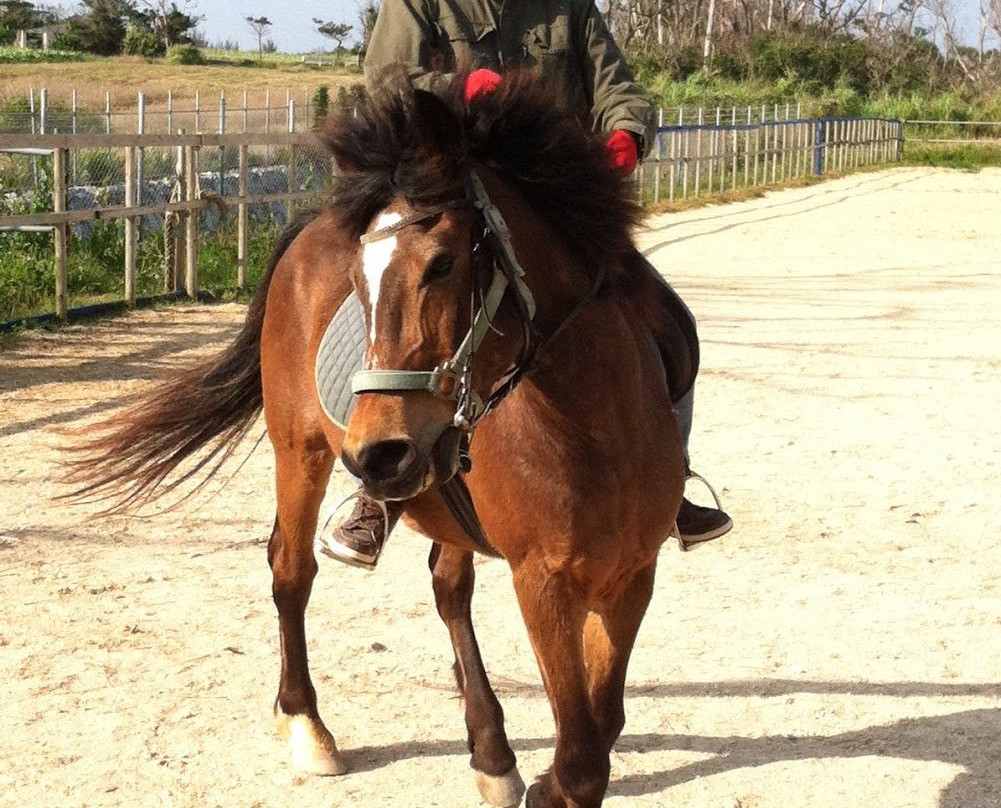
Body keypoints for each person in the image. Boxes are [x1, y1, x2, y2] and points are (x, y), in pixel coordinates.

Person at [318, 0, 732, 569]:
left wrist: (626, 135)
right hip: (449, 197)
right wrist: (461, 86)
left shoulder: (568, 6)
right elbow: (388, 82)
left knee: (671, 320)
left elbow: (620, 89)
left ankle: (670, 480)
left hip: (555, 214)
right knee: (385, 320)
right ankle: (377, 493)